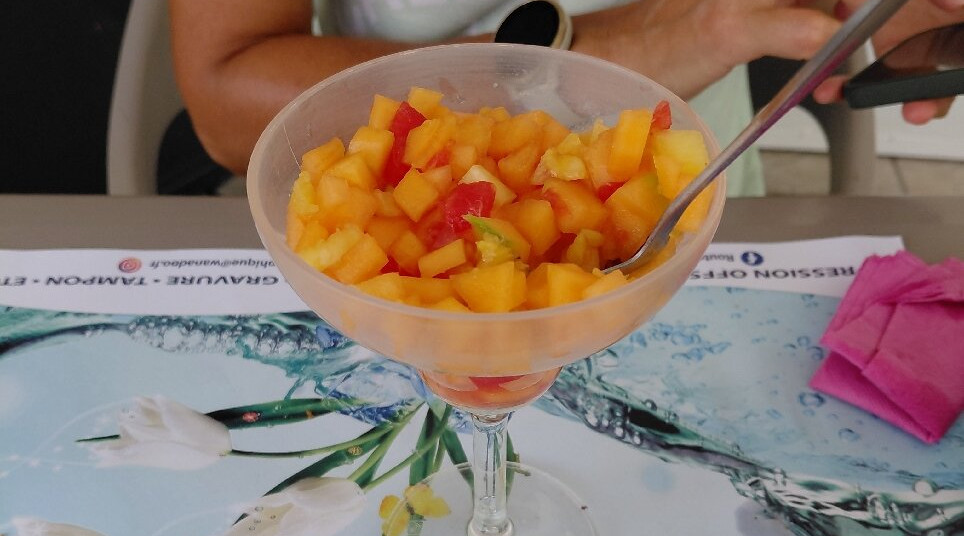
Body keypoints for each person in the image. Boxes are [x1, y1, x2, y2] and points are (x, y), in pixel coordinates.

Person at [169, 0, 964, 195]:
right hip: (398, 239)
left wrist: (869, 15)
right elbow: (227, 105)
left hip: (684, 213)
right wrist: (642, 43)